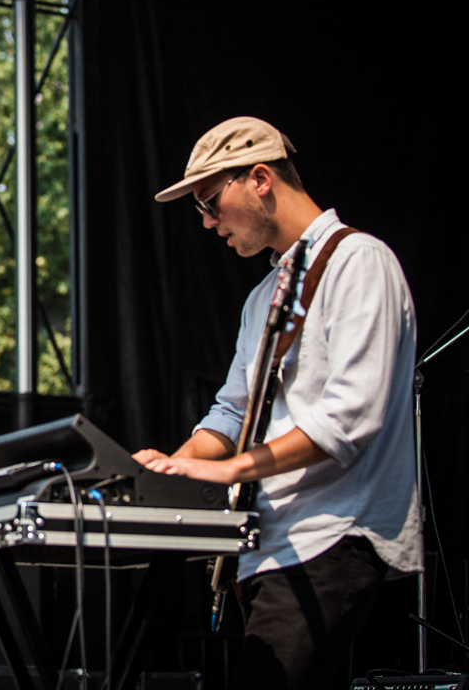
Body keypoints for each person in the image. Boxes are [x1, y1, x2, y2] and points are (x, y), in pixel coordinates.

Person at [132, 116, 421, 689]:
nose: (209, 223)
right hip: (268, 545)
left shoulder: (360, 262)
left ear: (260, 178)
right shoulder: (265, 293)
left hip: (332, 535)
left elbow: (348, 420)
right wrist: (170, 471)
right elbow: (234, 414)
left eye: (211, 203)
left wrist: (228, 467)